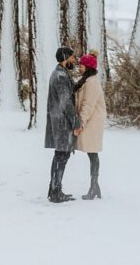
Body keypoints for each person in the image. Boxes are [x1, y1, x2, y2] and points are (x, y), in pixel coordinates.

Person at [44, 45, 82, 203]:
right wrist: (75, 122)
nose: (74, 60)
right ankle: (55, 191)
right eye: (72, 57)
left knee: (60, 155)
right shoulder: (60, 76)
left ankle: (54, 189)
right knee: (62, 155)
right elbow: (66, 102)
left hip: (60, 120)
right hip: (62, 122)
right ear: (65, 58)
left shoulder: (61, 74)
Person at [74, 51, 106, 200]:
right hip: (91, 120)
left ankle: (94, 188)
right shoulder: (87, 80)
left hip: (92, 121)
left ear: (88, 67)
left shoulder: (92, 82)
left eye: (81, 65)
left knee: (93, 154)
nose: (78, 67)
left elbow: (88, 104)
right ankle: (95, 187)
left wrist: (81, 122)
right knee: (92, 154)